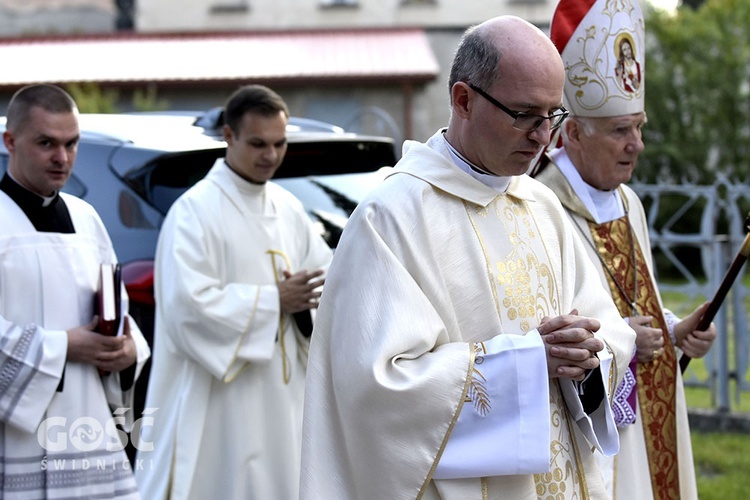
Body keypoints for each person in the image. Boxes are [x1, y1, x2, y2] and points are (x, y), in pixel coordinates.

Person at [300, 16, 636, 499]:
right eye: (525, 115)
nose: (543, 136)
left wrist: (588, 352)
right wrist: (527, 361)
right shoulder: (393, 216)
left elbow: (608, 330)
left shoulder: (542, 206)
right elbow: (377, 390)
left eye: (553, 115)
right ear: (462, 99)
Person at [534, 1, 717, 498]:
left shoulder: (627, 200)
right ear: (571, 133)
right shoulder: (541, 207)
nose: (636, 145)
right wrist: (620, 340)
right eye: (620, 130)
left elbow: (634, 299)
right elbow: (540, 330)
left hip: (653, 407)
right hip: (593, 424)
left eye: (639, 127)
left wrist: (675, 331)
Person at [135, 84, 333, 499]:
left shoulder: (288, 208)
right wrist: (272, 300)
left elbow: (325, 280)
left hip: (283, 397)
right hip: (221, 401)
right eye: (258, 143)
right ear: (228, 136)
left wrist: (310, 301)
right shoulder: (195, 212)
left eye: (279, 144)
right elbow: (186, 308)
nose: (271, 156)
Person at [0, 84, 151, 498]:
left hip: (84, 427)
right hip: (15, 433)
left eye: (71, 144)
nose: (62, 158)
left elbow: (115, 307)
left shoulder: (87, 219)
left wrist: (128, 348)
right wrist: (64, 346)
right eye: (46, 143)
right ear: (10, 141)